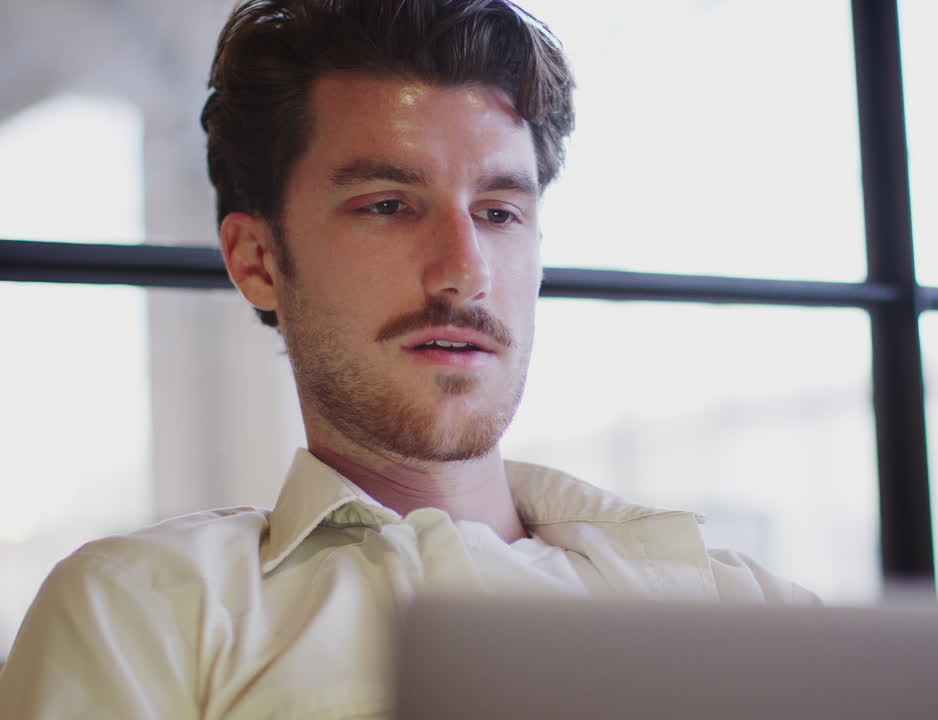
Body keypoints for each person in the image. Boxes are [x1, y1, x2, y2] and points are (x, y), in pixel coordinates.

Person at [0, 0, 816, 716]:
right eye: (388, 206)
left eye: (498, 213)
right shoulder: (146, 610)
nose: (464, 271)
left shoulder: (742, 607)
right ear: (257, 260)